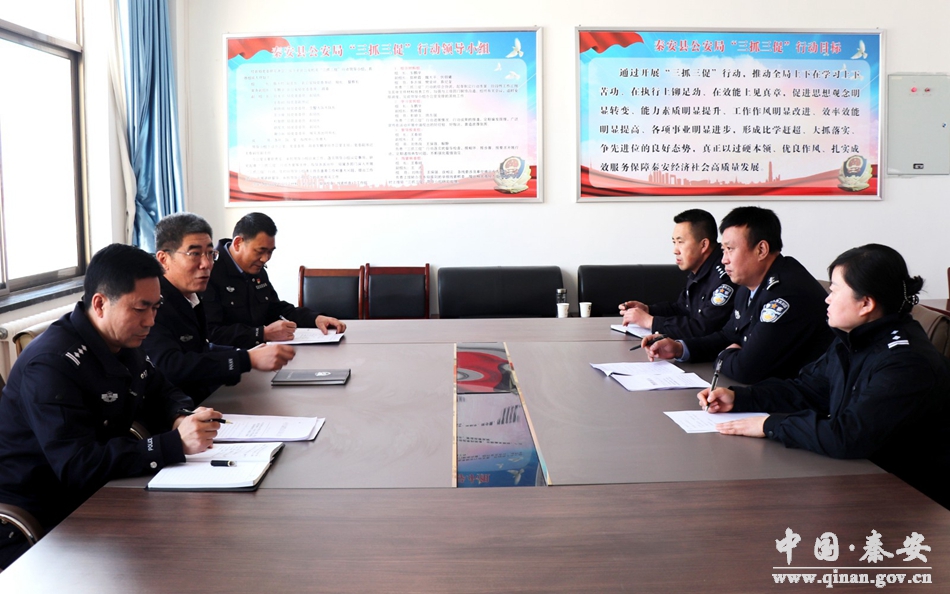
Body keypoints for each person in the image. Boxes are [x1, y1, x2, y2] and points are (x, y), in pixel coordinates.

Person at [0, 244, 223, 569]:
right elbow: (77, 467)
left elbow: (163, 390)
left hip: (104, 491)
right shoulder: (51, 364)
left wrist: (180, 416)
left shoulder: (122, 341)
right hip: (45, 517)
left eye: (156, 308)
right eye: (140, 308)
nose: (151, 321)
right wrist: (173, 443)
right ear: (100, 304)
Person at [700, 244, 950, 509]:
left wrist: (769, 425)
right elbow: (807, 390)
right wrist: (740, 398)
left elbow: (848, 436)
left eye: (835, 291)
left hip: (907, 501)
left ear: (866, 303)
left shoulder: (906, 362)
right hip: (859, 478)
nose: (827, 299)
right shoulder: (853, 340)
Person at [644, 206, 832, 384]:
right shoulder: (748, 285)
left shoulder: (787, 294)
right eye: (723, 250)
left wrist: (724, 355)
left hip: (800, 399)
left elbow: (746, 369)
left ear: (761, 250)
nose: (724, 260)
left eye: (730, 249)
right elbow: (727, 336)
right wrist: (680, 348)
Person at [144, 213, 296, 404]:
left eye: (210, 253)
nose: (206, 264)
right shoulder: (152, 302)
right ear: (164, 259)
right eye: (195, 254)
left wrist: (248, 355)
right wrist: (246, 359)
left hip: (203, 401)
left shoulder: (191, 295)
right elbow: (171, 367)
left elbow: (202, 349)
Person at [203, 212, 346, 350]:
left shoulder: (256, 269)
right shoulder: (209, 272)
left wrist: (315, 319)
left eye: (270, 252)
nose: (265, 259)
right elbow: (212, 333)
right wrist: (262, 334)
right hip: (232, 358)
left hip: (264, 353)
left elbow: (276, 309)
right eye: (260, 251)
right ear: (238, 243)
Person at [618, 209, 737, 338]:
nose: (675, 250)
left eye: (680, 242)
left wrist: (650, 322)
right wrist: (648, 310)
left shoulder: (726, 274)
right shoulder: (699, 269)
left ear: (703, 245)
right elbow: (682, 309)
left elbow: (704, 327)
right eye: (674, 242)